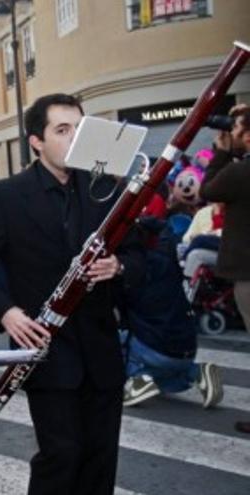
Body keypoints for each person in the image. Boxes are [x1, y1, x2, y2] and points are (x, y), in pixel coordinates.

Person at [0, 93, 144, 494]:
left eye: (80, 128)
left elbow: (144, 254)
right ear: (36, 142)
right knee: (61, 457)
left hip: (100, 348)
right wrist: (7, 313)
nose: (75, 138)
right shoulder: (5, 196)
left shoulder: (105, 189)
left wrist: (120, 266)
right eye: (62, 130)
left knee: (100, 457)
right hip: (46, 349)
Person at [120, 214, 223, 408]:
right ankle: (197, 372)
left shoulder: (129, 269)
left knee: (111, 337)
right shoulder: (168, 260)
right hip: (186, 348)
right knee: (168, 370)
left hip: (154, 348)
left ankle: (138, 378)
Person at [199, 104, 250, 435]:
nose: (234, 136)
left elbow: (208, 190)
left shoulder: (242, 171)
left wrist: (221, 151)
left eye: (239, 131)